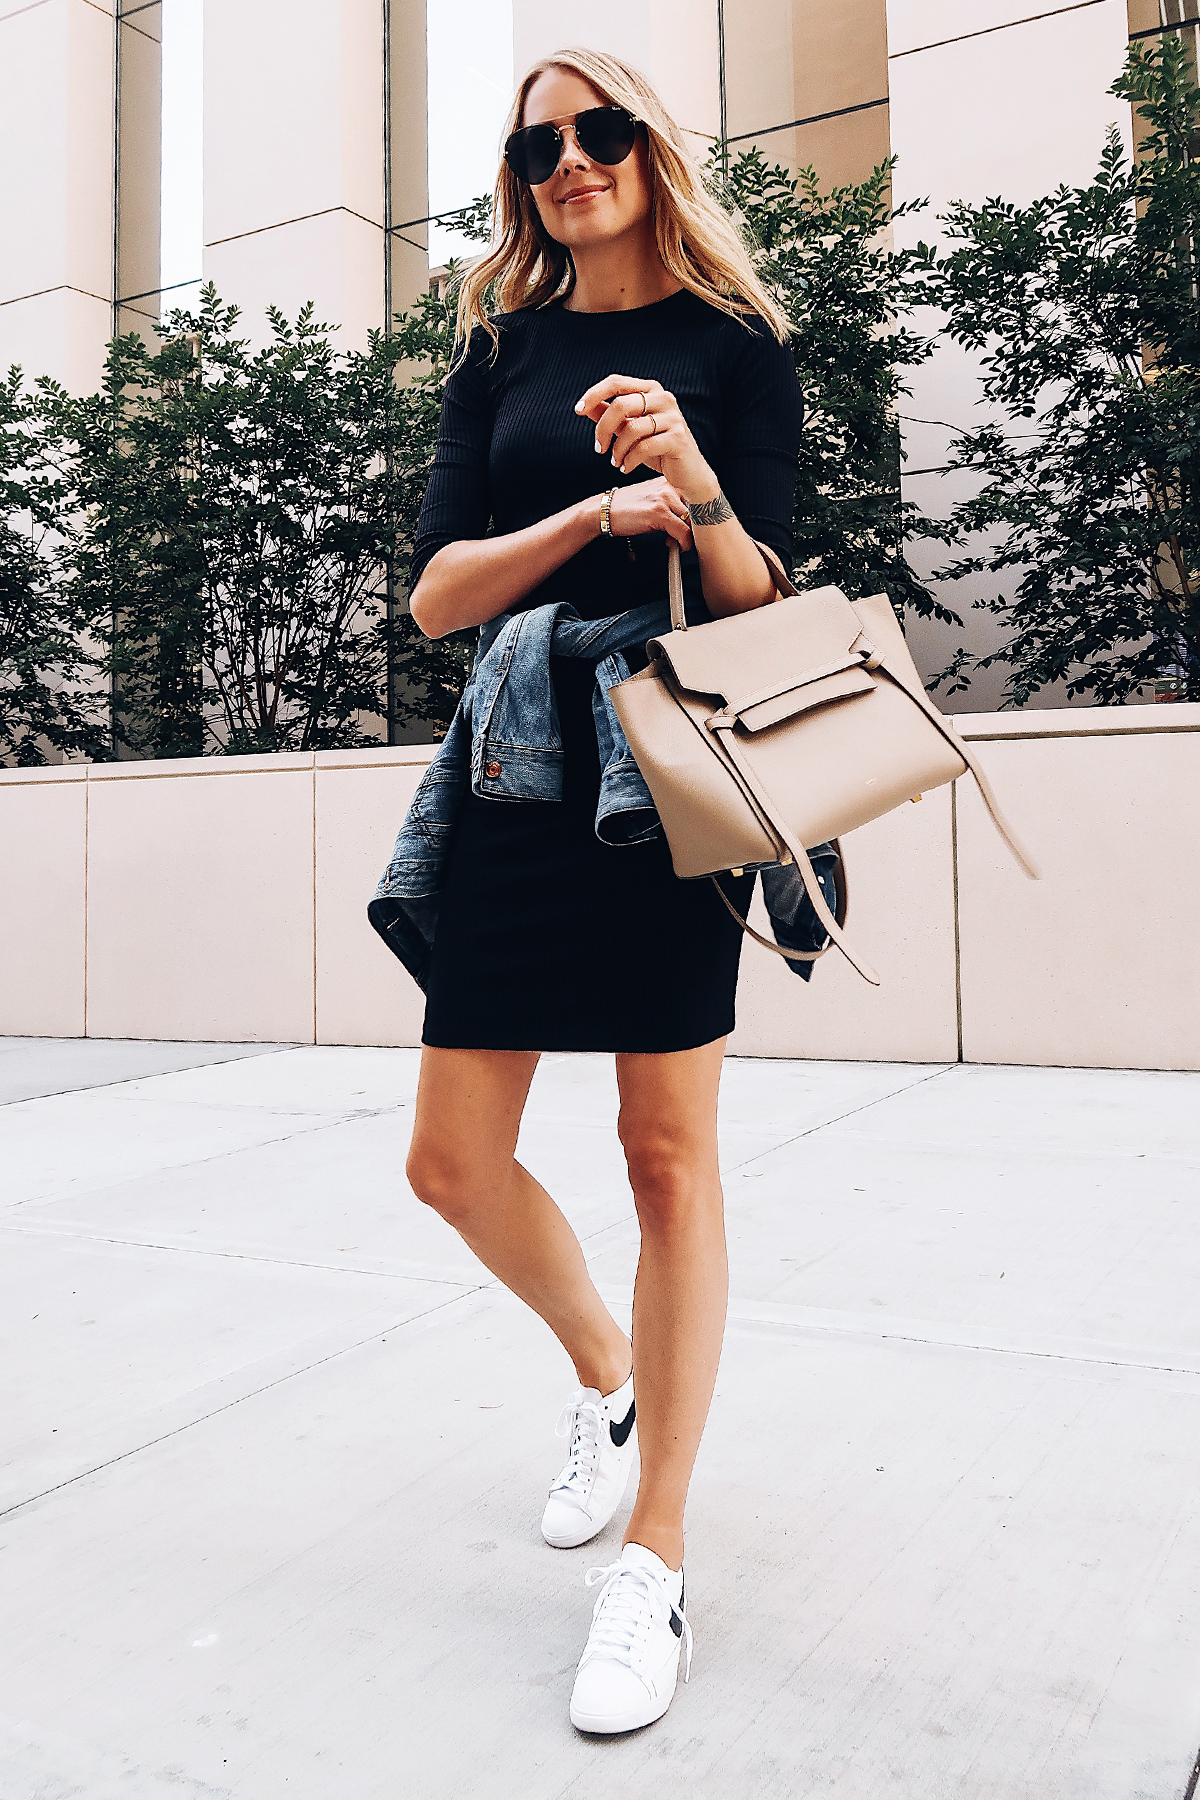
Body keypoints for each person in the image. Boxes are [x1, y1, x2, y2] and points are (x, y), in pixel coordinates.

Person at [396, 46, 803, 1735]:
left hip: (668, 774)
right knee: (448, 1161)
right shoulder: (497, 348)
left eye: (601, 131)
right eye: (539, 144)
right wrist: (587, 509)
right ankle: (606, 1379)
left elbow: (762, 587)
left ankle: (657, 1559)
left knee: (664, 1154)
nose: (570, 160)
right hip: (515, 770)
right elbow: (434, 596)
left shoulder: (733, 348)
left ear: (652, 146)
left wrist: (690, 479)